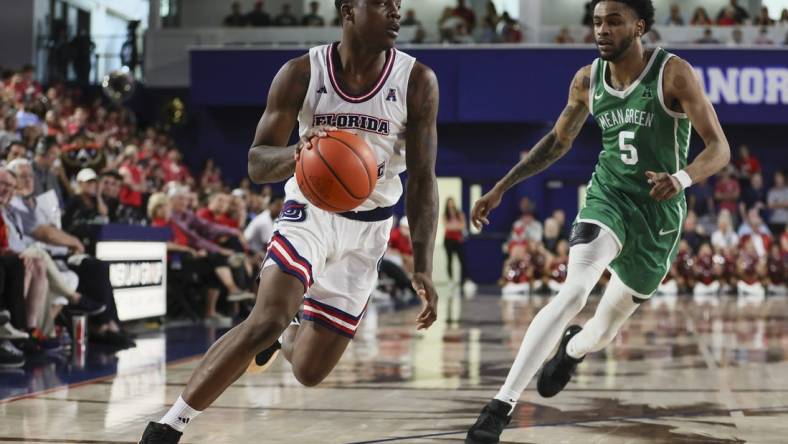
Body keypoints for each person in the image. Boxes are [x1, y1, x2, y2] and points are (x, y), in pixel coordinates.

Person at [139, 0, 440, 441]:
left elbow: (422, 182)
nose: (395, 12)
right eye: (381, 3)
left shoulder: (417, 80)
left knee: (309, 372)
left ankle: (286, 337)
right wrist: (298, 153)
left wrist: (424, 267)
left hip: (368, 231)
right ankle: (170, 425)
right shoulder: (302, 73)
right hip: (311, 214)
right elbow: (258, 163)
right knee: (266, 319)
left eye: (398, 4)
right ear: (348, 10)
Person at [464, 1, 730, 441]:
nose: (601, 30)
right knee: (573, 289)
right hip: (607, 196)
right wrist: (502, 186)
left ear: (639, 25)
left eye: (613, 21)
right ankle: (500, 405)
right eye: (596, 22)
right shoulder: (587, 79)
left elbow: (719, 148)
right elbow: (556, 141)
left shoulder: (673, 73)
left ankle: (572, 350)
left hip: (659, 213)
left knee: (605, 326)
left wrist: (681, 178)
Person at [443, 197, 467, 286]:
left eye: (452, 202)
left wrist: (454, 226)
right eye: (449, 203)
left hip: (458, 240)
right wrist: (456, 225)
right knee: (449, 260)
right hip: (448, 240)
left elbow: (462, 226)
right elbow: (447, 227)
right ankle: (450, 280)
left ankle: (464, 280)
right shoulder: (445, 215)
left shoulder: (459, 214)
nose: (451, 204)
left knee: (462, 260)